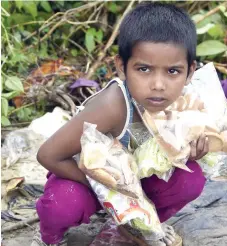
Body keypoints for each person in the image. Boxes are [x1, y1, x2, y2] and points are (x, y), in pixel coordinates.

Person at [32, 2, 208, 246]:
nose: (158, 84)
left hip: (133, 179)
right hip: (84, 176)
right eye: (144, 69)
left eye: (172, 71)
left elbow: (164, 157)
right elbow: (48, 155)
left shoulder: (184, 103)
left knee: (191, 179)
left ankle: (134, 225)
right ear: (121, 67)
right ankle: (48, 238)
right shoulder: (113, 106)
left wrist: (190, 153)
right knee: (63, 204)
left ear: (190, 72)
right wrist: (109, 192)